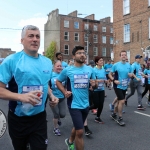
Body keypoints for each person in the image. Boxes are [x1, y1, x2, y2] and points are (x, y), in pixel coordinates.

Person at [0, 25, 59, 150]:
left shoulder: (47, 62)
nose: (35, 39)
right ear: (22, 41)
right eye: (30, 36)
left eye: (37, 36)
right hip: (18, 119)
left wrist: (51, 95)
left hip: (39, 118)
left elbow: (45, 84)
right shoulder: (11, 61)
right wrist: (21, 97)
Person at [56, 46, 96, 150]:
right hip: (74, 104)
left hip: (86, 103)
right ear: (73, 56)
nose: (82, 54)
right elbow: (58, 81)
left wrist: (94, 84)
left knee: (78, 126)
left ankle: (69, 141)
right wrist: (65, 92)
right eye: (79, 53)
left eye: (83, 53)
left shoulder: (89, 69)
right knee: (80, 131)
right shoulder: (68, 70)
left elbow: (94, 84)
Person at [109, 50, 132, 126]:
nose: (124, 56)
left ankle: (114, 114)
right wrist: (113, 80)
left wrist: (130, 75)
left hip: (124, 86)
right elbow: (110, 74)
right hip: (117, 86)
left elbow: (130, 74)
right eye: (122, 55)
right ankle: (120, 118)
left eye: (125, 55)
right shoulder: (116, 65)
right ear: (120, 56)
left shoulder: (129, 65)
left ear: (126, 56)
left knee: (119, 101)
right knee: (122, 101)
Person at [49, 60, 66, 136]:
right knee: (56, 114)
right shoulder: (51, 75)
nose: (59, 67)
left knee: (62, 114)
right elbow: (47, 84)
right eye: (57, 66)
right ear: (54, 67)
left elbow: (66, 85)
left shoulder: (63, 75)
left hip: (62, 97)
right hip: (53, 98)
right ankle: (55, 128)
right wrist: (50, 93)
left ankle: (59, 119)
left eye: (60, 66)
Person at [90, 56, 107, 123]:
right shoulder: (94, 70)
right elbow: (93, 79)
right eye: (100, 60)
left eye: (102, 60)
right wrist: (99, 80)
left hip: (101, 89)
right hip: (95, 89)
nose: (102, 61)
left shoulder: (103, 69)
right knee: (96, 104)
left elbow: (105, 78)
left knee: (101, 104)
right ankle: (86, 109)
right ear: (97, 62)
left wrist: (106, 81)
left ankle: (97, 117)